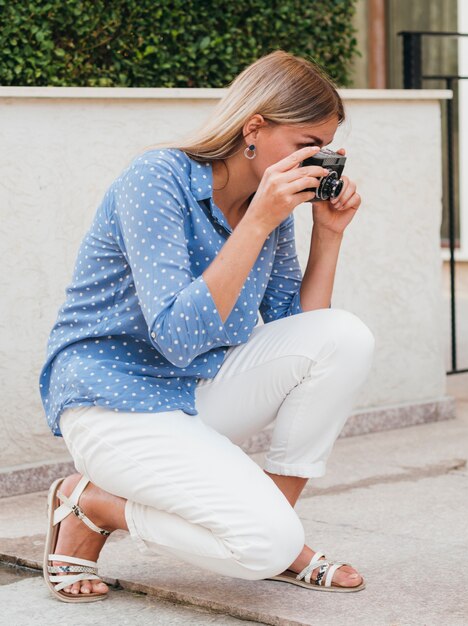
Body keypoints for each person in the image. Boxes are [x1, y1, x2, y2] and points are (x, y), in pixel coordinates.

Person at [39, 49, 375, 602]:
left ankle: (276, 527)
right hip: (113, 398)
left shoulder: (267, 205)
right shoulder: (158, 179)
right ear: (254, 127)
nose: (318, 162)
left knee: (345, 336)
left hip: (194, 388)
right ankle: (94, 503)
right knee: (262, 546)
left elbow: (304, 332)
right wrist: (261, 219)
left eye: (325, 150)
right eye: (305, 147)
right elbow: (175, 333)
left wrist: (329, 234)